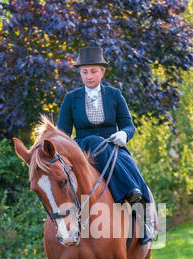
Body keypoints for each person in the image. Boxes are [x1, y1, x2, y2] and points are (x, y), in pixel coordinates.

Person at [58, 46, 153, 245]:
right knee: (90, 144)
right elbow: (63, 135)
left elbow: (129, 125)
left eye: (93, 71)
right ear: (80, 73)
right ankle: (66, 222)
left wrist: (124, 135)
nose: (89, 76)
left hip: (114, 147)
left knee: (135, 169)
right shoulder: (70, 99)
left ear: (102, 72)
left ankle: (145, 224)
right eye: (84, 72)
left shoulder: (115, 95)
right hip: (83, 149)